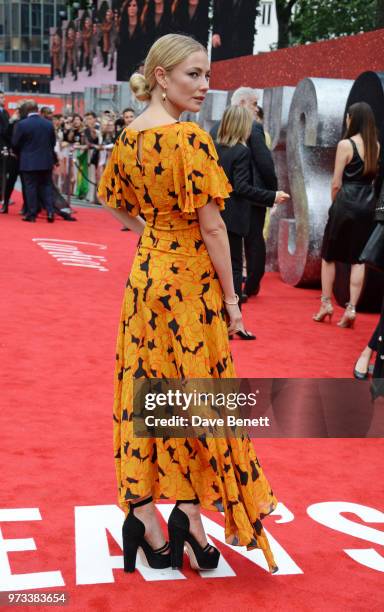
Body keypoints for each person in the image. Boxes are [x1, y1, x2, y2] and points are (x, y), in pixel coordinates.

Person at [98, 33, 278, 575]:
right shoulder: (188, 141)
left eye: (206, 75)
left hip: (146, 279)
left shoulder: (130, 135)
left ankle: (153, 518)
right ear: (161, 76)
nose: (204, 86)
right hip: (191, 285)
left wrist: (151, 234)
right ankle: (189, 514)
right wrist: (232, 299)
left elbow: (113, 202)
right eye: (193, 75)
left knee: (152, 392)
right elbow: (214, 227)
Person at [214, 105, 289, 338]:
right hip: (234, 217)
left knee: (216, 269)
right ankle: (235, 323)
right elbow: (242, 188)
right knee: (234, 268)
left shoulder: (215, 148)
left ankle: (217, 322)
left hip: (213, 216)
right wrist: (272, 196)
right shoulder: (241, 152)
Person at [314, 102, 380, 327]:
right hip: (367, 206)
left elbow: (335, 182)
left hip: (346, 202)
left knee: (329, 255)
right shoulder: (376, 146)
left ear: (353, 119)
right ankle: (351, 308)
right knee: (358, 259)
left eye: (348, 117)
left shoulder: (345, 144)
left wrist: (336, 204)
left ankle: (326, 304)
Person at [211, 87, 278, 300]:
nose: (256, 108)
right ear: (241, 103)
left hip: (219, 200)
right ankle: (249, 287)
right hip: (249, 196)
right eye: (253, 103)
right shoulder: (253, 128)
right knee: (253, 241)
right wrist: (272, 193)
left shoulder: (214, 129)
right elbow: (264, 162)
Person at [11, 100, 56, 223]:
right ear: (37, 109)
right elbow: (53, 143)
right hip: (46, 161)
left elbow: (15, 143)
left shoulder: (22, 124)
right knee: (47, 186)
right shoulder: (48, 124)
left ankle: (31, 214)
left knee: (30, 187)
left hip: (28, 161)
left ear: (26, 110)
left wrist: (20, 152)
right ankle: (50, 212)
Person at [116, 0, 144, 82]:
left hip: (137, 68)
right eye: (129, 5)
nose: (131, 8)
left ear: (138, 8)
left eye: (134, 5)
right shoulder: (120, 27)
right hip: (122, 68)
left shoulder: (143, 27)